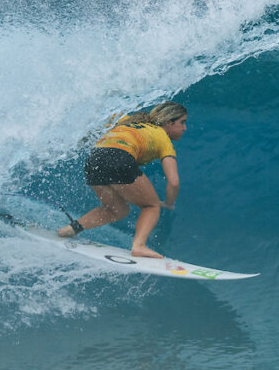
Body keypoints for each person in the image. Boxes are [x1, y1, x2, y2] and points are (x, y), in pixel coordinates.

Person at [57, 101, 187, 258]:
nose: (184, 128)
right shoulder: (163, 138)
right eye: (182, 122)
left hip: (94, 159)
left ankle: (70, 229)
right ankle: (139, 246)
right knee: (151, 206)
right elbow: (174, 181)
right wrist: (169, 203)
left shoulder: (129, 121)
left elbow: (98, 115)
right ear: (168, 122)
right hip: (120, 158)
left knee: (117, 210)